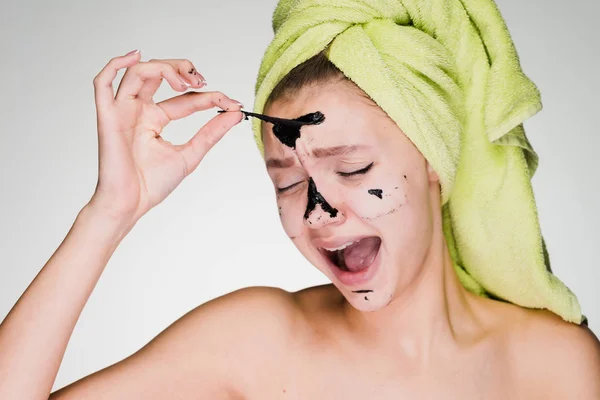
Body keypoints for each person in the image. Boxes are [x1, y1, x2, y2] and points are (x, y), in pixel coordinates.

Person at [1, 1, 599, 399]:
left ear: (434, 161)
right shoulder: (257, 342)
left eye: (353, 167)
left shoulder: (555, 366)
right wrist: (110, 211)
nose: (319, 210)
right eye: (286, 182)